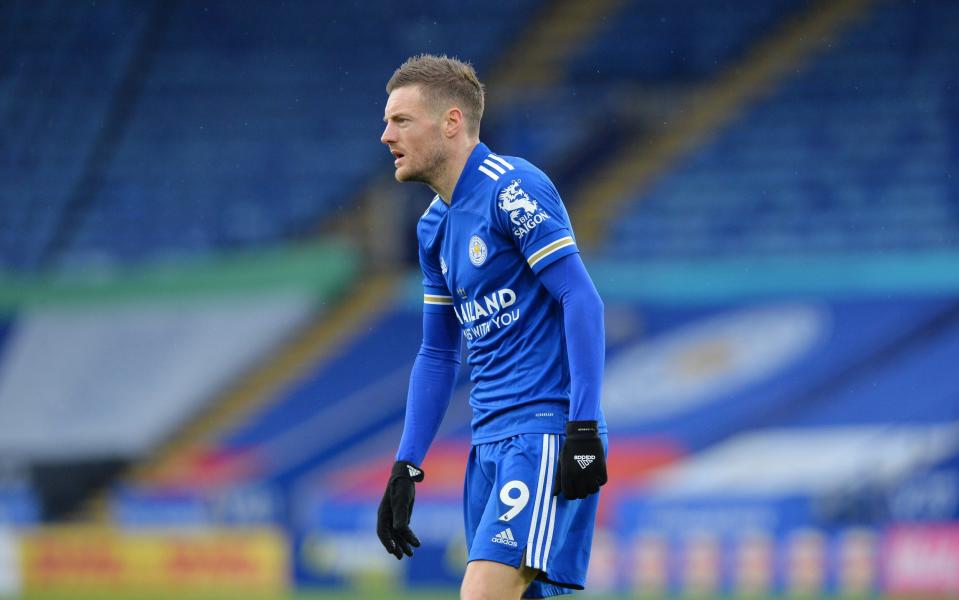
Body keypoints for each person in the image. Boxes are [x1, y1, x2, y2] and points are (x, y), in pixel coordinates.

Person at [375, 54, 608, 600]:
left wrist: (583, 430)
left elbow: (581, 298)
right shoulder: (432, 226)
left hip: (543, 431)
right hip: (488, 444)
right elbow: (437, 354)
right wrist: (405, 465)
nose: (385, 135)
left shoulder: (513, 188)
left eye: (401, 120)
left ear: (451, 122)